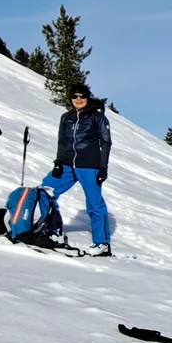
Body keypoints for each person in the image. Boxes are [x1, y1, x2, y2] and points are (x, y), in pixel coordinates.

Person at [44, 84, 112, 255]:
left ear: (88, 97)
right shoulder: (66, 117)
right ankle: (54, 232)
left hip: (89, 166)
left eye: (82, 96)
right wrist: (58, 162)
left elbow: (105, 142)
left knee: (94, 204)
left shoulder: (98, 118)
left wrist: (103, 167)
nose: (78, 99)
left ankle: (102, 244)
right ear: (70, 99)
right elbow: (62, 141)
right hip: (67, 164)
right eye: (75, 96)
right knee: (45, 192)